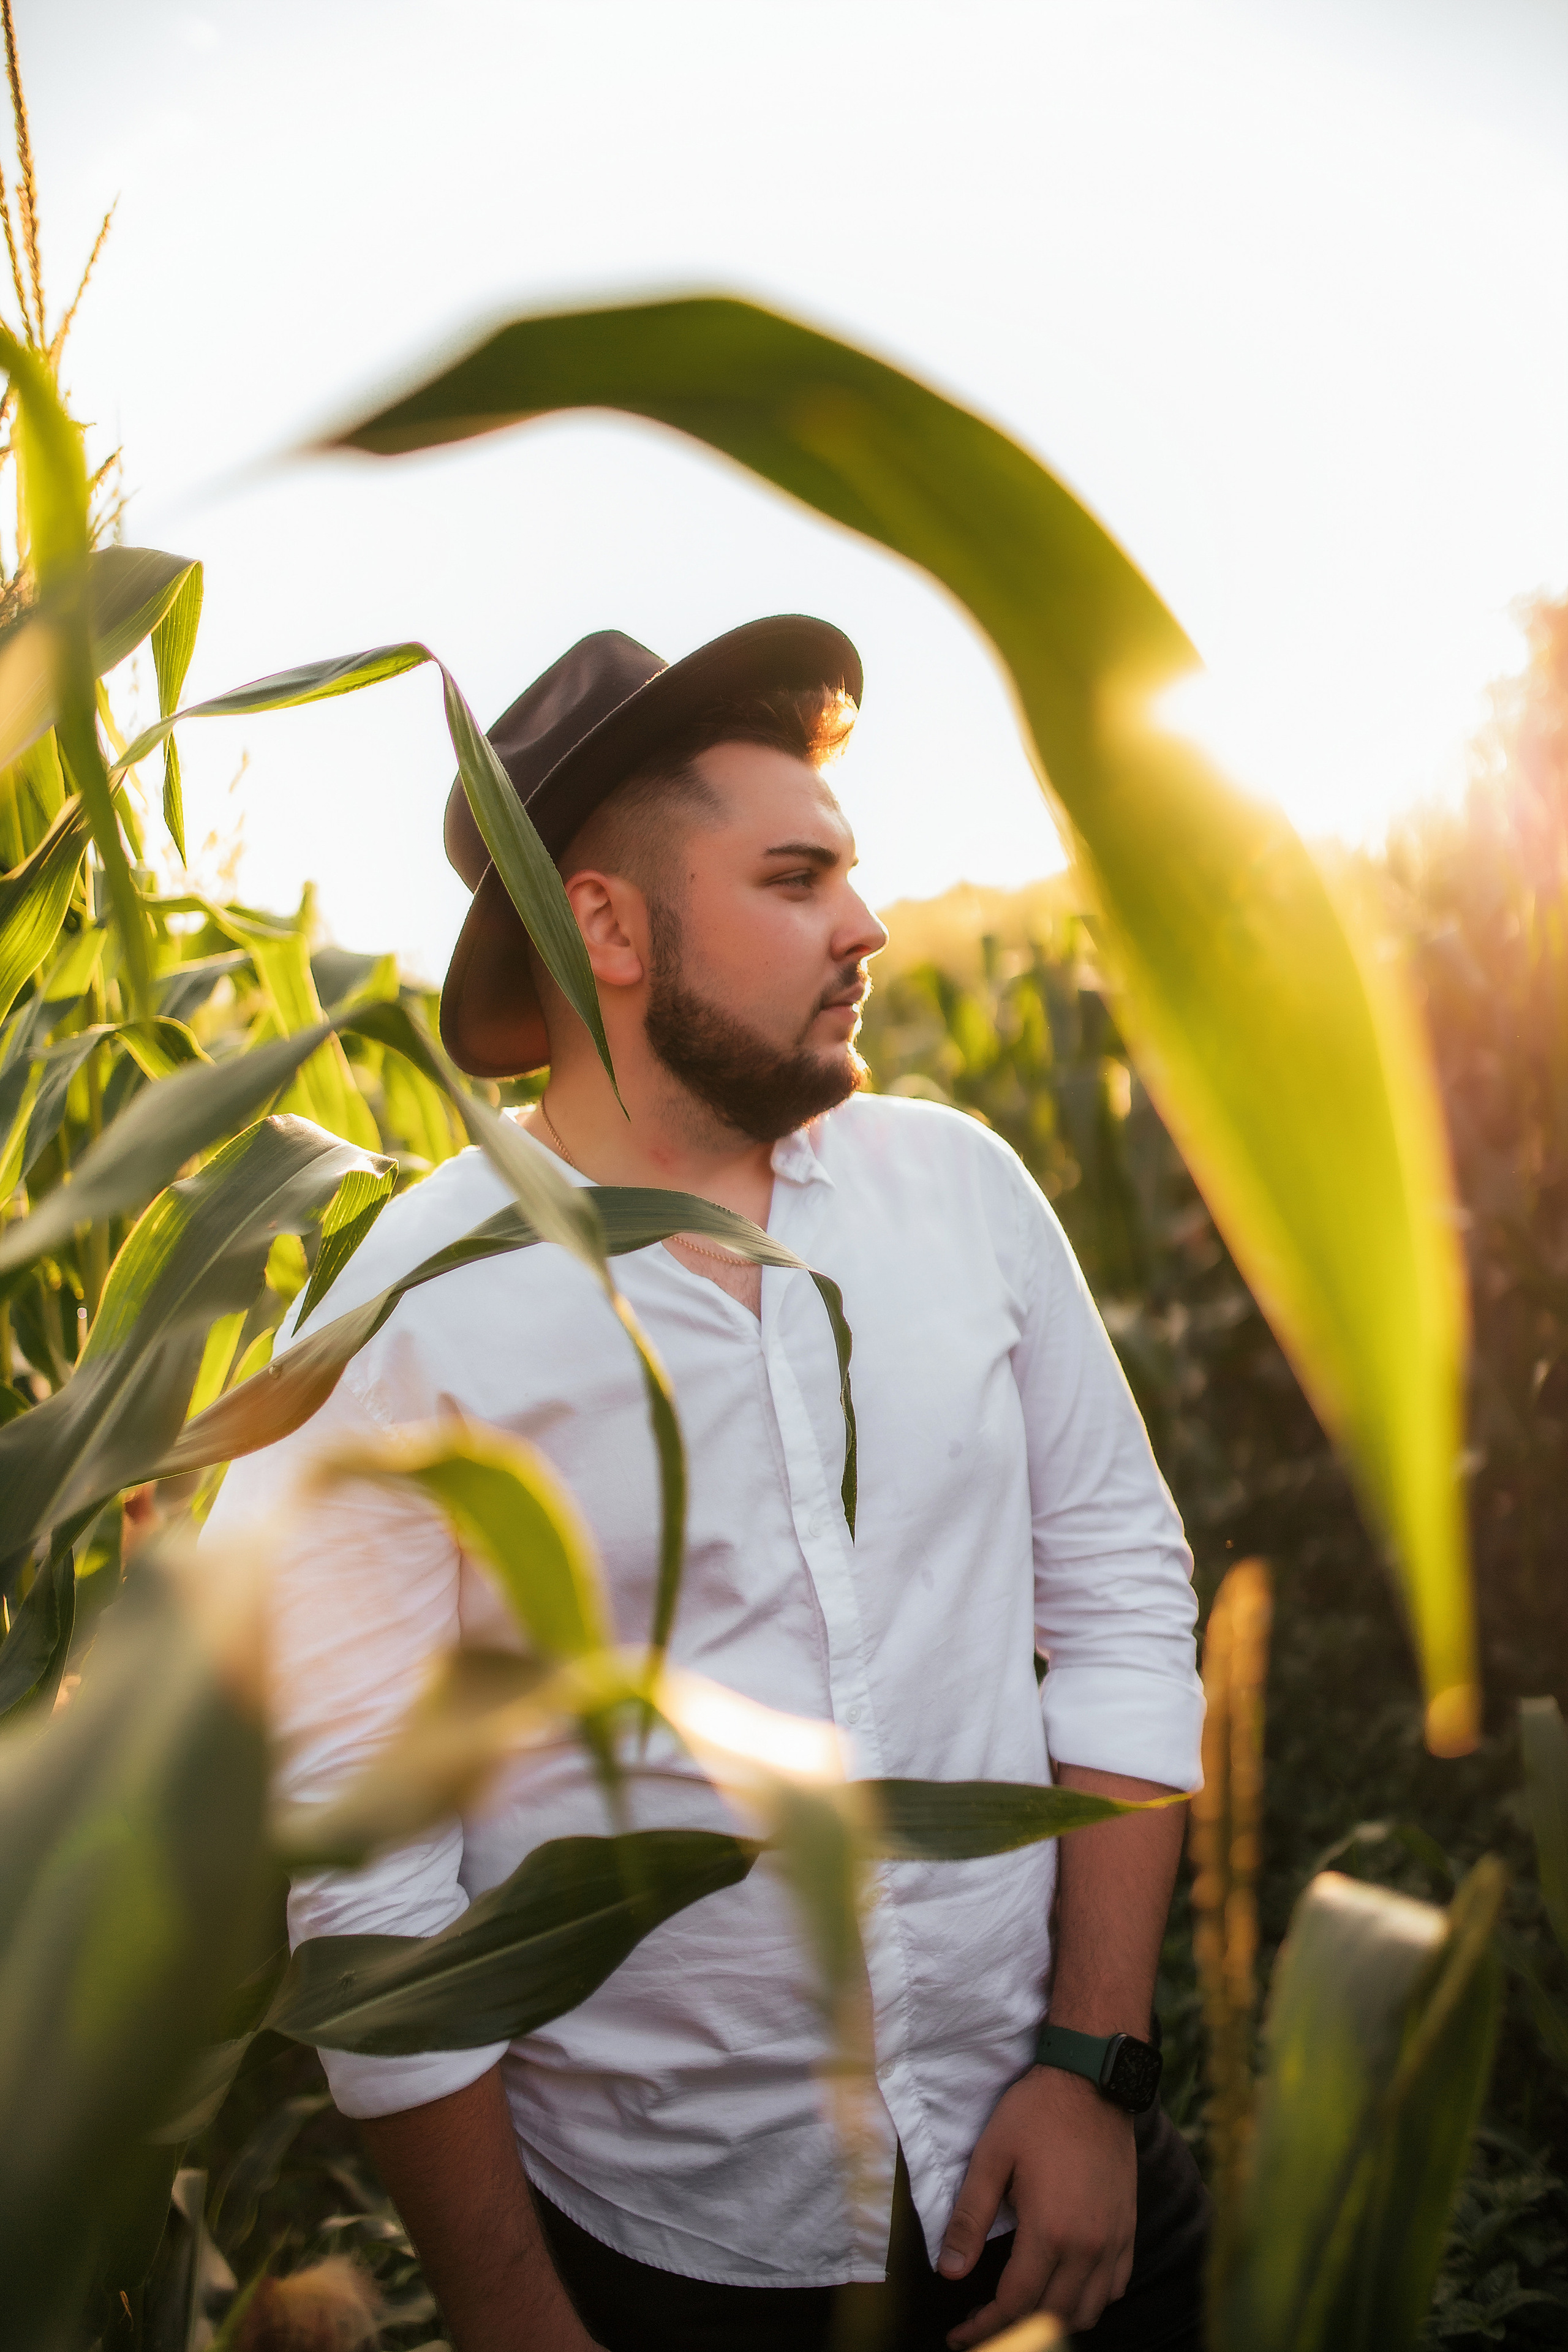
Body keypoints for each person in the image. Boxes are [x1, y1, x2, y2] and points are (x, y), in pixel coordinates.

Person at [209, 617, 1208, 2352]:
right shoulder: (402, 1323)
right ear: (606, 923)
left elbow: (1121, 1593)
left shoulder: (960, 1195)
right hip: (667, 2259)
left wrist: (1093, 2072)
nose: (867, 925)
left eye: (853, 872)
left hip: (1055, 2171)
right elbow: (371, 1897)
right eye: (797, 876)